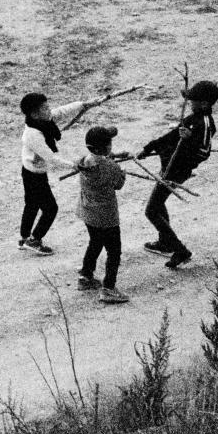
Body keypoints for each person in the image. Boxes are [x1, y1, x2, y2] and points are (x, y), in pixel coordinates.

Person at [137, 80, 218, 269]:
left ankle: (179, 249)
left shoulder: (206, 124)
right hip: (168, 166)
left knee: (151, 210)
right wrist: (149, 147)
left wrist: (188, 141)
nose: (190, 102)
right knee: (158, 204)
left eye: (193, 100)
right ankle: (165, 242)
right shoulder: (193, 118)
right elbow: (173, 136)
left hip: (178, 171)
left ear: (205, 104)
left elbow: (203, 153)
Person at [17, 90, 98, 255]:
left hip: (32, 171)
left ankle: (24, 238)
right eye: (45, 109)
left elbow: (62, 111)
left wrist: (83, 104)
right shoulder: (33, 135)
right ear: (34, 114)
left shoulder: (41, 120)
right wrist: (73, 165)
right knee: (50, 209)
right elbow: (51, 158)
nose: (50, 111)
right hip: (34, 175)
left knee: (31, 205)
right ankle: (34, 240)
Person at [70, 125, 130, 303]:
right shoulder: (110, 167)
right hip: (106, 216)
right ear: (103, 147)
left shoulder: (83, 161)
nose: (112, 145)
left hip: (88, 212)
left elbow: (99, 160)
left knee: (95, 242)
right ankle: (109, 288)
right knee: (114, 251)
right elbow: (118, 184)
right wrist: (123, 171)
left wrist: (115, 156)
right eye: (109, 143)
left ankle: (86, 276)